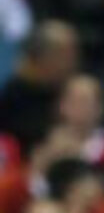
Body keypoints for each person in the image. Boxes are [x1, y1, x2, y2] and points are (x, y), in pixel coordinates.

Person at [0, 20, 79, 156]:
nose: (73, 60)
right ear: (43, 56)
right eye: (65, 53)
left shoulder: (71, 89)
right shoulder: (15, 94)